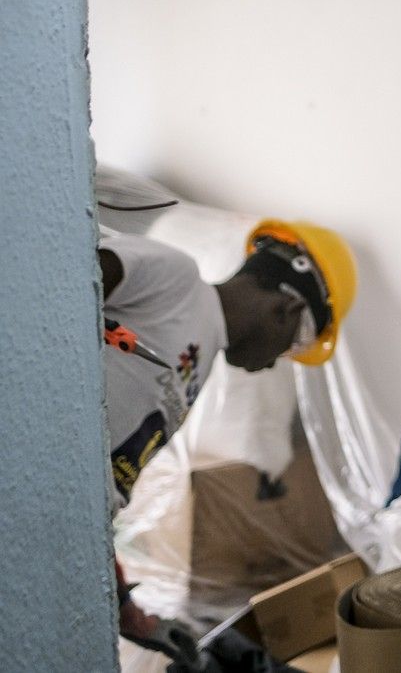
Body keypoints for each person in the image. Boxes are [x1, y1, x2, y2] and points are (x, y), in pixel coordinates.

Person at [101, 219, 356, 661]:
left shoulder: (195, 372)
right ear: (287, 310)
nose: (278, 361)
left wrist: (127, 608)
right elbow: (52, 279)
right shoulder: (174, 277)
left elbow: (105, 489)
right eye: (295, 346)